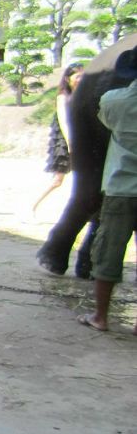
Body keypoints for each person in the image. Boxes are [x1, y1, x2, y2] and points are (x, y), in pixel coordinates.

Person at [77, 47, 137, 334]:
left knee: (109, 252)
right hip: (122, 186)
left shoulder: (115, 101)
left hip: (122, 187)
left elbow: (104, 119)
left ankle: (101, 316)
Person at [33, 63, 83, 216]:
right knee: (57, 180)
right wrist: (70, 142)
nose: (81, 79)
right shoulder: (63, 97)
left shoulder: (81, 96)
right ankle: (32, 206)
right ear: (68, 79)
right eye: (78, 76)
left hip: (77, 140)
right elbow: (63, 121)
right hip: (63, 141)